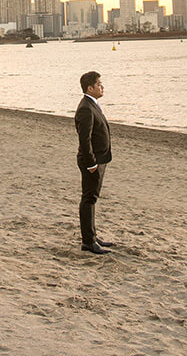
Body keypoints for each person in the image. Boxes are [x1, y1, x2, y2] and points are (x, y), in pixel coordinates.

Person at [75, 70, 114, 254]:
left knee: (92, 198)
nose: (102, 86)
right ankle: (88, 242)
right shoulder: (85, 108)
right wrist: (91, 164)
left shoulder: (92, 104)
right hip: (92, 162)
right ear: (90, 88)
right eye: (99, 84)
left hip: (99, 160)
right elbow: (85, 140)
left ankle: (91, 236)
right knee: (89, 198)